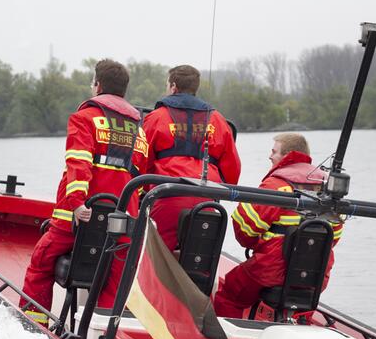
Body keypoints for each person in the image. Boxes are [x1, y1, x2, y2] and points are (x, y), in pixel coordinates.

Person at [22, 59, 148, 317]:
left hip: (79, 217)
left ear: (98, 85)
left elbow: (79, 162)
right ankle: (99, 336)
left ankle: (33, 327)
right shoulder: (139, 130)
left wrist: (78, 203)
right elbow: (141, 178)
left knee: (41, 263)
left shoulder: (84, 119)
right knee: (115, 278)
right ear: (124, 91)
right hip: (123, 221)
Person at [212, 133, 343, 318]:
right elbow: (334, 236)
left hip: (270, 270)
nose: (270, 156)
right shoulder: (328, 188)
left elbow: (244, 228)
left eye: (274, 151)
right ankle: (297, 326)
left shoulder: (275, 185)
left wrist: (259, 245)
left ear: (288, 155)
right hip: (316, 274)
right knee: (301, 301)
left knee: (230, 294)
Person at [141, 65, 241, 250]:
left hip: (168, 194)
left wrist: (144, 189)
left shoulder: (156, 118)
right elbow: (232, 170)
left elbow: (141, 160)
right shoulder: (218, 119)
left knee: (159, 256)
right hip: (208, 196)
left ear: (173, 87)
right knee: (200, 256)